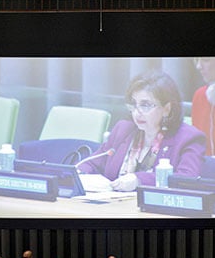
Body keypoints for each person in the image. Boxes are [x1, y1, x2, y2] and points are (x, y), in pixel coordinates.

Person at [78, 71, 208, 191]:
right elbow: (92, 163)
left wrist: (140, 180)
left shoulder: (189, 138)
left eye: (145, 105)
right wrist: (81, 173)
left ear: (166, 109)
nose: (137, 112)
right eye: (134, 104)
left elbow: (187, 179)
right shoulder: (123, 129)